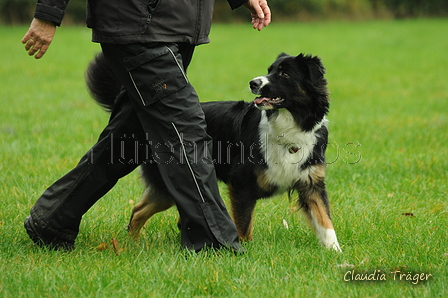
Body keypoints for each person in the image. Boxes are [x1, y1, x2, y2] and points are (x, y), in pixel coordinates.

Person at [21, 0, 271, 253]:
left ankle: (53, 218)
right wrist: (48, 13)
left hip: (175, 27)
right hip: (139, 22)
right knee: (186, 131)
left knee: (130, 140)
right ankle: (213, 242)